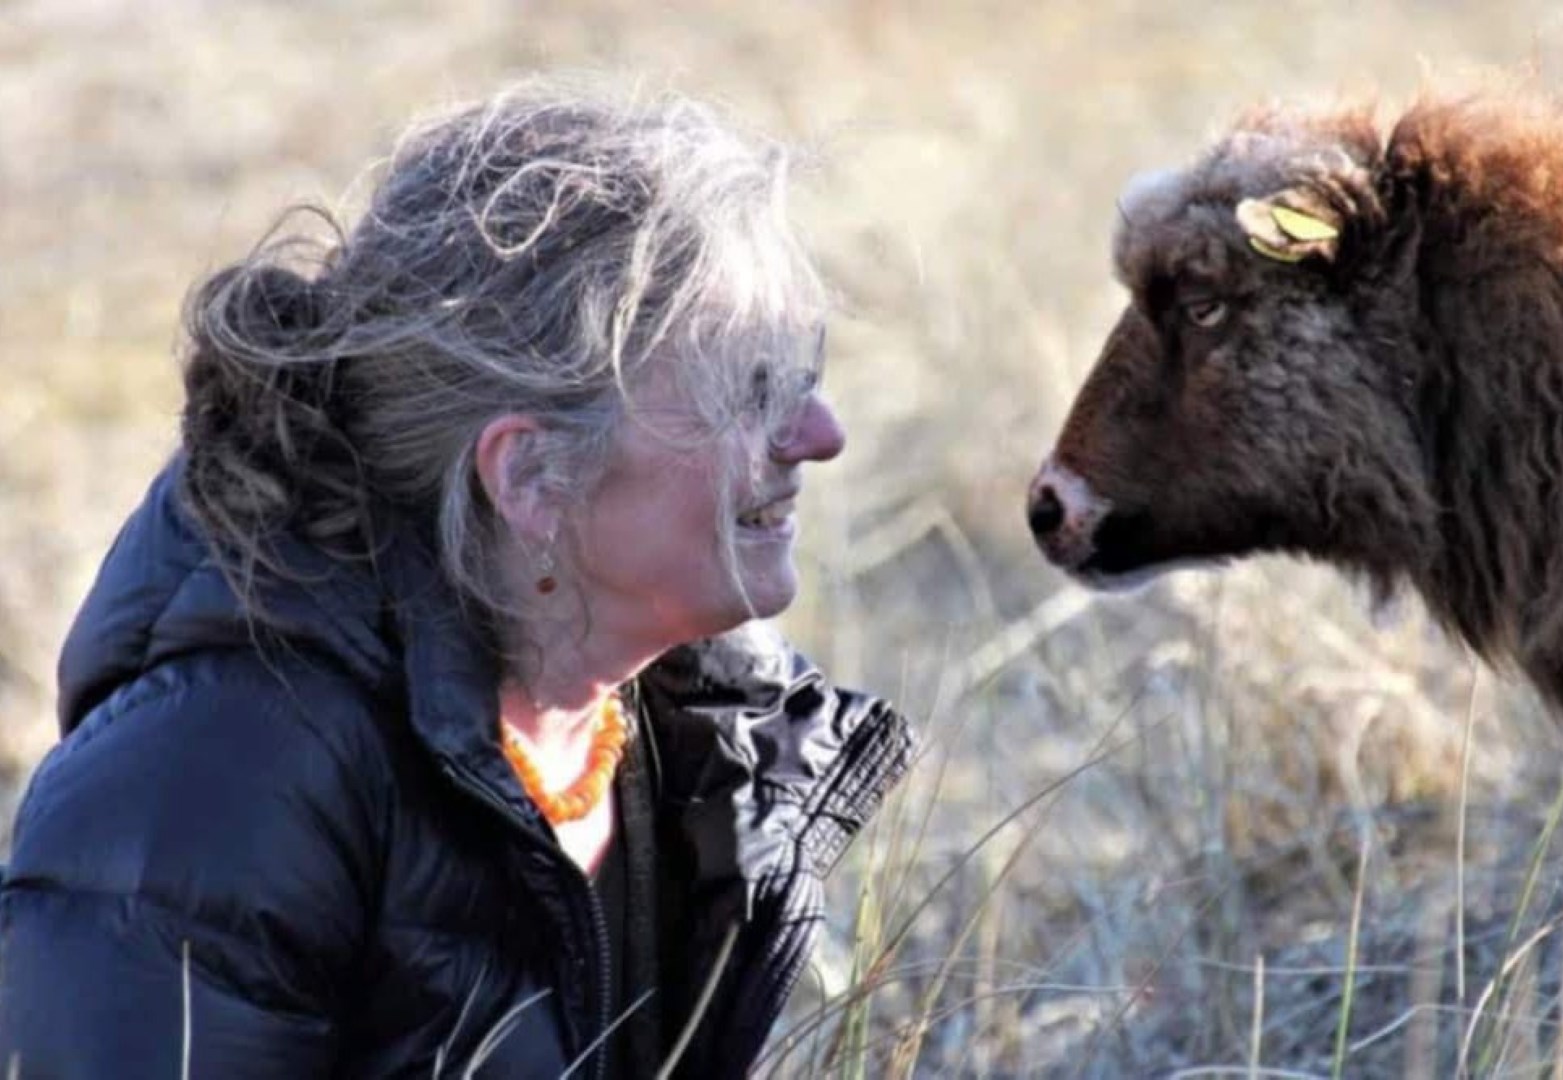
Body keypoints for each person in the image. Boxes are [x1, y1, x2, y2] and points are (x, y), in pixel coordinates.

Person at [0, 81, 914, 1078]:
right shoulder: (215, 791)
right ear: (530, 474)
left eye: (805, 371)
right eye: (751, 389)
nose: (821, 436)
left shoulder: (701, 733)